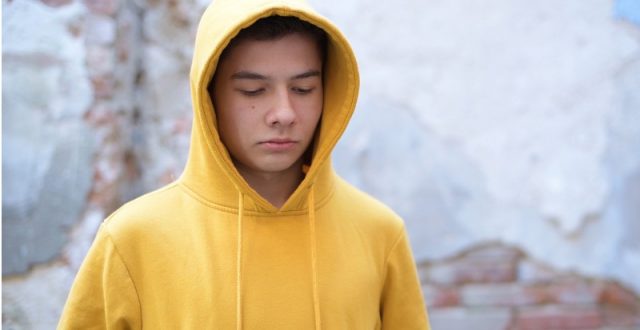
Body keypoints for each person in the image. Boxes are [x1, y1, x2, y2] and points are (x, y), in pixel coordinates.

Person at [58, 0, 431, 328]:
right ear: (209, 96)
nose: (283, 113)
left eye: (303, 89)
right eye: (253, 91)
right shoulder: (132, 239)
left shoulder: (379, 234)